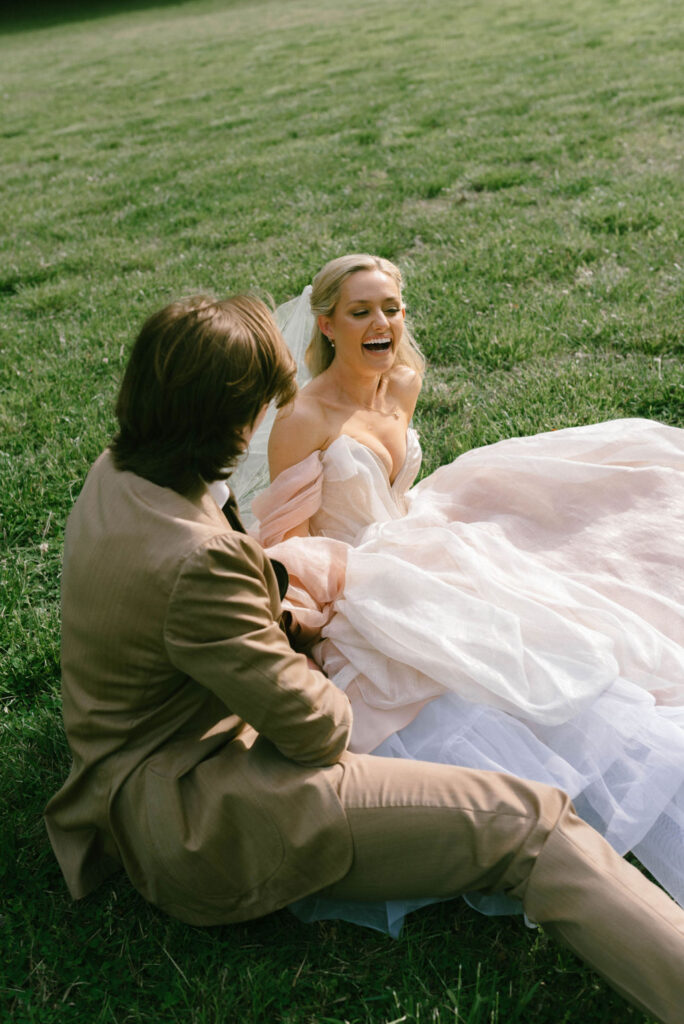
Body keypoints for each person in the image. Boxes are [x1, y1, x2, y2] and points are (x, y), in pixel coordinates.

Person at [45, 291, 684, 1024]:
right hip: (196, 811)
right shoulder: (199, 563)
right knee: (529, 824)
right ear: (232, 415)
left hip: (134, 763)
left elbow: (178, 610)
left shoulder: (121, 471)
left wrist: (276, 603)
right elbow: (316, 729)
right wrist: (310, 637)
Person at [243, 254, 684, 932]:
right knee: (507, 659)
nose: (381, 322)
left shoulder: (403, 383)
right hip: (352, 567)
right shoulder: (303, 418)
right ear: (326, 324)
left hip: (415, 531)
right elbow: (285, 543)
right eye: (360, 312)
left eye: (391, 307)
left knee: (604, 522)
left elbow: (393, 490)